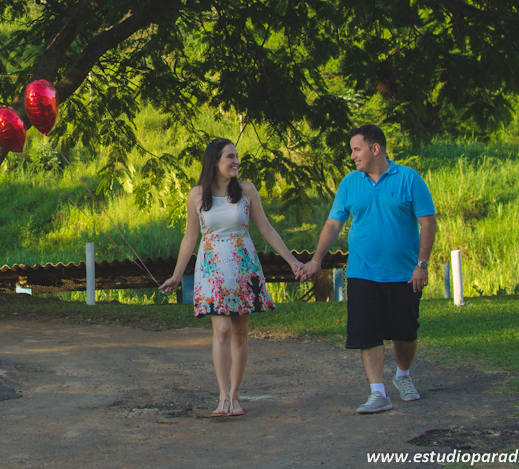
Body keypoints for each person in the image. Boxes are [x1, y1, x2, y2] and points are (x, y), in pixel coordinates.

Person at [296, 124, 437, 414]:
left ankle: (403, 375)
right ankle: (378, 392)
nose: (352, 156)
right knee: (367, 332)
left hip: (404, 272)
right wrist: (316, 260)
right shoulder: (350, 182)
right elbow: (333, 223)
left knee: (405, 332)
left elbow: (428, 222)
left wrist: (421, 265)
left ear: (376, 149)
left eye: (356, 149)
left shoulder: (409, 179)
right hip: (362, 273)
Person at [159, 138, 303, 417]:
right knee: (221, 330)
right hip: (212, 269)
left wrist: (293, 261)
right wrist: (177, 275)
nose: (236, 161)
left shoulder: (247, 190)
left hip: (243, 266)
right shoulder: (197, 195)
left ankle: (235, 396)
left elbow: (266, 229)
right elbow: (190, 237)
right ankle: (222, 397)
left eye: (237, 157)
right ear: (214, 161)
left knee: (239, 333)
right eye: (230, 157)